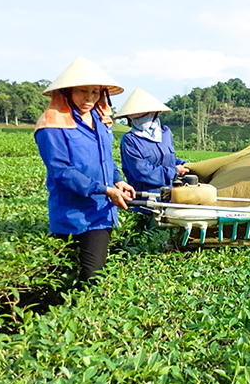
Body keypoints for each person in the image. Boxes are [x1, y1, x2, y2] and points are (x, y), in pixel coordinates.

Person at [34, 56, 135, 283]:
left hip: (101, 213)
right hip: (71, 213)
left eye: (95, 92)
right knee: (68, 278)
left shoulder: (101, 121)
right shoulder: (52, 124)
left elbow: (105, 159)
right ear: (67, 91)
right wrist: (106, 190)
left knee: (92, 276)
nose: (89, 98)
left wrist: (118, 180)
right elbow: (61, 171)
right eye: (82, 91)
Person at [116, 88, 189, 196]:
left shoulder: (165, 133)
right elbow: (142, 172)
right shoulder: (130, 140)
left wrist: (183, 164)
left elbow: (168, 159)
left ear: (154, 113)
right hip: (144, 199)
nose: (139, 118)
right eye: (134, 116)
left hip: (169, 196)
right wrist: (174, 171)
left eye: (144, 114)